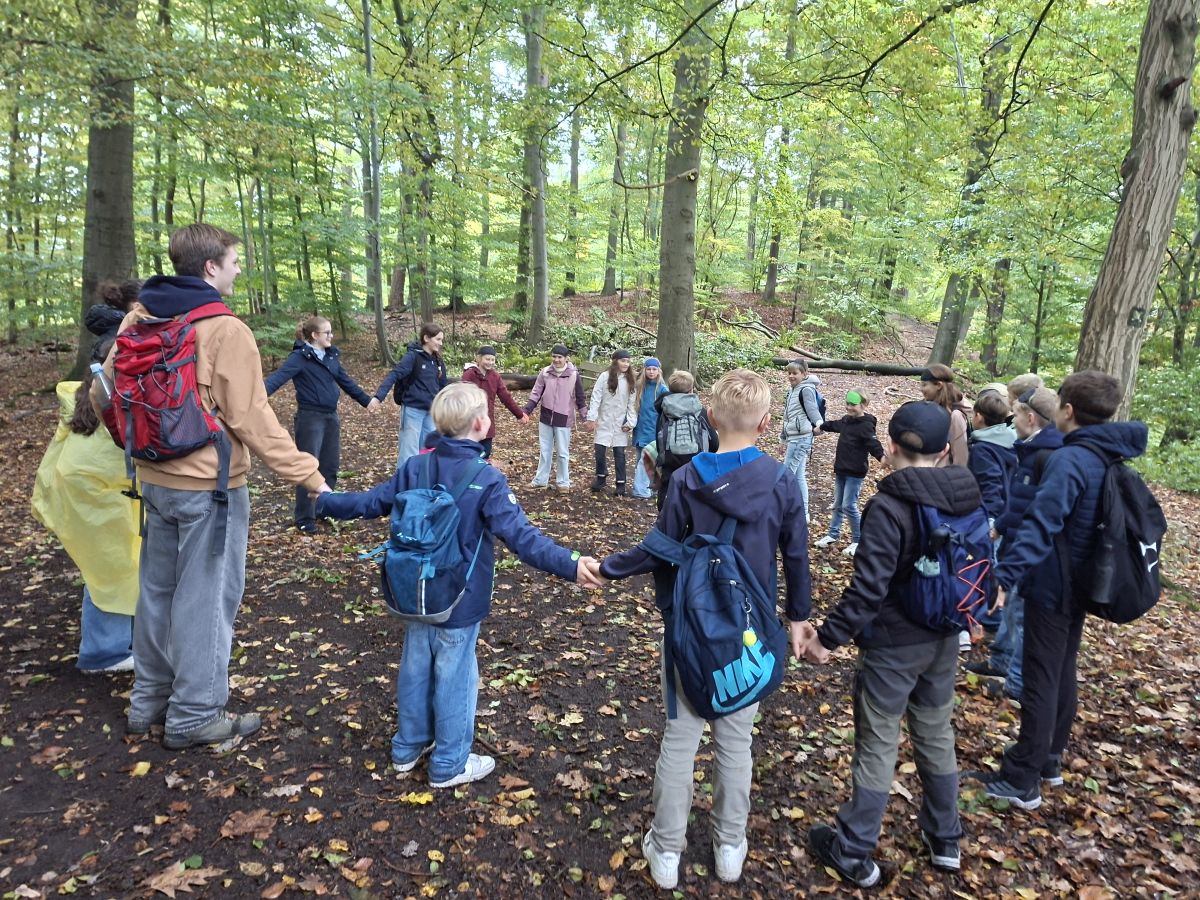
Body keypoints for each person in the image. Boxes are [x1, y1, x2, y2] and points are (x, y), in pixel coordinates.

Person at [92, 223, 328, 749]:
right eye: (234, 261)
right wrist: (309, 476)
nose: (239, 269)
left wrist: (139, 444)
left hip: (153, 480)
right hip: (210, 488)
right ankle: (195, 713)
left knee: (157, 593)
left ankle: (148, 702)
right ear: (210, 268)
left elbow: (102, 392)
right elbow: (253, 419)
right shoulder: (225, 330)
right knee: (206, 599)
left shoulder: (139, 316)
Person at [315, 384, 602, 787]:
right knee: (455, 675)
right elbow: (523, 538)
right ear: (482, 424)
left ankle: (407, 747)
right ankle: (449, 763)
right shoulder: (487, 478)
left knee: (416, 665)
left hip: (413, 590)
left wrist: (324, 499)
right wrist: (571, 563)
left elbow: (370, 502)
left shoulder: (416, 466)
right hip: (459, 600)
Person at [593, 369, 811, 889]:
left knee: (682, 736)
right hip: (749, 631)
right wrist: (798, 617)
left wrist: (606, 568)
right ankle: (729, 846)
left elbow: (661, 547)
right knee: (736, 742)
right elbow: (797, 555)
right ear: (766, 422)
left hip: (690, 628)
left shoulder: (687, 478)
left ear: (710, 417)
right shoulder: (781, 481)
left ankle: (666, 851)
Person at [797, 401, 978, 887]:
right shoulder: (966, 495)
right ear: (944, 452)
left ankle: (854, 849)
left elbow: (868, 589)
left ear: (891, 446)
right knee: (935, 734)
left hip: (894, 646)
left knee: (878, 743)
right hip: (945, 636)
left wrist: (827, 639)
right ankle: (945, 839)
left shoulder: (889, 506)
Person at [974, 372, 1143, 811]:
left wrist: (1005, 576)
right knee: (1061, 669)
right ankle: (1048, 759)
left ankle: (1022, 777)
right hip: (1082, 581)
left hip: (1054, 583)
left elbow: (1042, 524)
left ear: (1067, 410)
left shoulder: (1071, 460)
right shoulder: (1104, 454)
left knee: (1041, 678)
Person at [32, 351, 140, 674]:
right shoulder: (110, 404)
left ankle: (117, 643)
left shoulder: (84, 400)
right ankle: (104, 652)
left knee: (107, 569)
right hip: (98, 499)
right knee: (114, 571)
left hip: (84, 497)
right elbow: (119, 459)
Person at [967, 386, 1062, 701]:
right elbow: (1018, 500)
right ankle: (1001, 661)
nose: (1012, 419)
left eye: (1016, 414)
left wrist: (1005, 528)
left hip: (1030, 550)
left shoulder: (1047, 455)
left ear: (1031, 418)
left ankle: (1016, 683)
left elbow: (1035, 508)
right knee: (1009, 608)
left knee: (1021, 615)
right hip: (1014, 540)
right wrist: (1002, 526)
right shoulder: (1029, 448)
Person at [265, 316, 373, 534]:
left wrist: (367, 401)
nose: (331, 336)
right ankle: (305, 517)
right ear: (315, 335)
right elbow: (278, 378)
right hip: (310, 418)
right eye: (327, 333)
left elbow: (345, 381)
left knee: (330, 465)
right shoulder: (300, 357)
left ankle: (325, 507)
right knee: (308, 466)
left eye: (331, 332)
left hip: (331, 416)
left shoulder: (330, 357)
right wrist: (254, 395)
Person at [966, 391, 1017, 632]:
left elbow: (990, 484)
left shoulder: (983, 449)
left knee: (990, 565)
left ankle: (993, 618)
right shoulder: (1010, 440)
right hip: (1007, 513)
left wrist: (990, 521)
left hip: (992, 517)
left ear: (978, 416)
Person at [814, 390, 884, 557]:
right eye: (847, 403)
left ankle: (858, 540)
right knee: (837, 505)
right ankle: (833, 534)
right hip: (841, 469)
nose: (849, 407)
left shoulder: (866, 425)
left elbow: (873, 443)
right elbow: (834, 424)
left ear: (864, 405)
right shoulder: (846, 420)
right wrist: (821, 426)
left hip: (855, 472)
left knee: (848, 506)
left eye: (853, 404)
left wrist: (882, 457)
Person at [371, 323, 448, 468]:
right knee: (409, 451)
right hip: (413, 410)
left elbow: (443, 385)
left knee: (428, 450)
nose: (440, 343)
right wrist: (378, 397)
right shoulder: (412, 357)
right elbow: (394, 374)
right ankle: (404, 479)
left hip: (431, 412)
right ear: (426, 338)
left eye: (441, 340)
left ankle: (423, 478)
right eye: (438, 339)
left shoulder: (437, 361)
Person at [523, 344, 588, 490]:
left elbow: (580, 398)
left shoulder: (573, 375)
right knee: (545, 451)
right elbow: (536, 393)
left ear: (566, 358)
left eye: (560, 357)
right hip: (545, 416)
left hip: (563, 417)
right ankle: (540, 480)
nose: (556, 360)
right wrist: (527, 411)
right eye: (554, 356)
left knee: (563, 452)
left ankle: (563, 482)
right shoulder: (545, 372)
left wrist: (586, 418)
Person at [654, 369, 718, 510]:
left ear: (670, 389)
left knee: (667, 503)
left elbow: (659, 440)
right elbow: (714, 442)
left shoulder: (664, 412)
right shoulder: (700, 411)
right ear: (691, 389)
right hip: (697, 467)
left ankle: (666, 516)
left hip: (670, 468)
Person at [461, 345, 528, 458]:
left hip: (487, 422)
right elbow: (462, 396)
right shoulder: (469, 375)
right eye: (487, 359)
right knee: (469, 454)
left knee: (485, 454)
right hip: (470, 422)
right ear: (479, 358)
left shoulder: (495, 376)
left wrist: (519, 414)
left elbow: (505, 396)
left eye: (493, 360)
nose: (490, 362)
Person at [587, 350, 638, 496]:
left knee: (619, 453)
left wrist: (630, 422)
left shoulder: (630, 380)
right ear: (615, 361)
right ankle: (601, 477)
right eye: (623, 361)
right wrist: (592, 417)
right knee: (600, 450)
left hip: (620, 423)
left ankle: (620, 483)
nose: (625, 364)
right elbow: (596, 397)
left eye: (627, 361)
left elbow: (632, 404)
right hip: (604, 420)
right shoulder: (604, 377)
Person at [779, 360, 824, 522]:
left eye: (795, 373)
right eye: (789, 373)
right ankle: (804, 514)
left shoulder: (806, 389)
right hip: (795, 437)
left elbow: (812, 409)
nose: (791, 376)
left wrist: (820, 423)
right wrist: (783, 439)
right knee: (798, 477)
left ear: (804, 374)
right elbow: (787, 417)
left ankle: (784, 511)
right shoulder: (792, 390)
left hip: (801, 438)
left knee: (786, 476)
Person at [630, 358, 668, 499]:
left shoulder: (662, 389)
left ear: (659, 371)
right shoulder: (640, 387)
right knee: (640, 458)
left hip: (655, 430)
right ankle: (642, 487)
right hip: (641, 428)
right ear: (644, 370)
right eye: (648, 369)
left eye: (654, 369)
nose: (651, 372)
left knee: (652, 459)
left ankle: (651, 486)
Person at [918, 365, 971, 467]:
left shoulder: (956, 416)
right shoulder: (928, 407)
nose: (921, 389)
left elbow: (960, 458)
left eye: (924, 385)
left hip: (944, 473)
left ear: (938, 385)